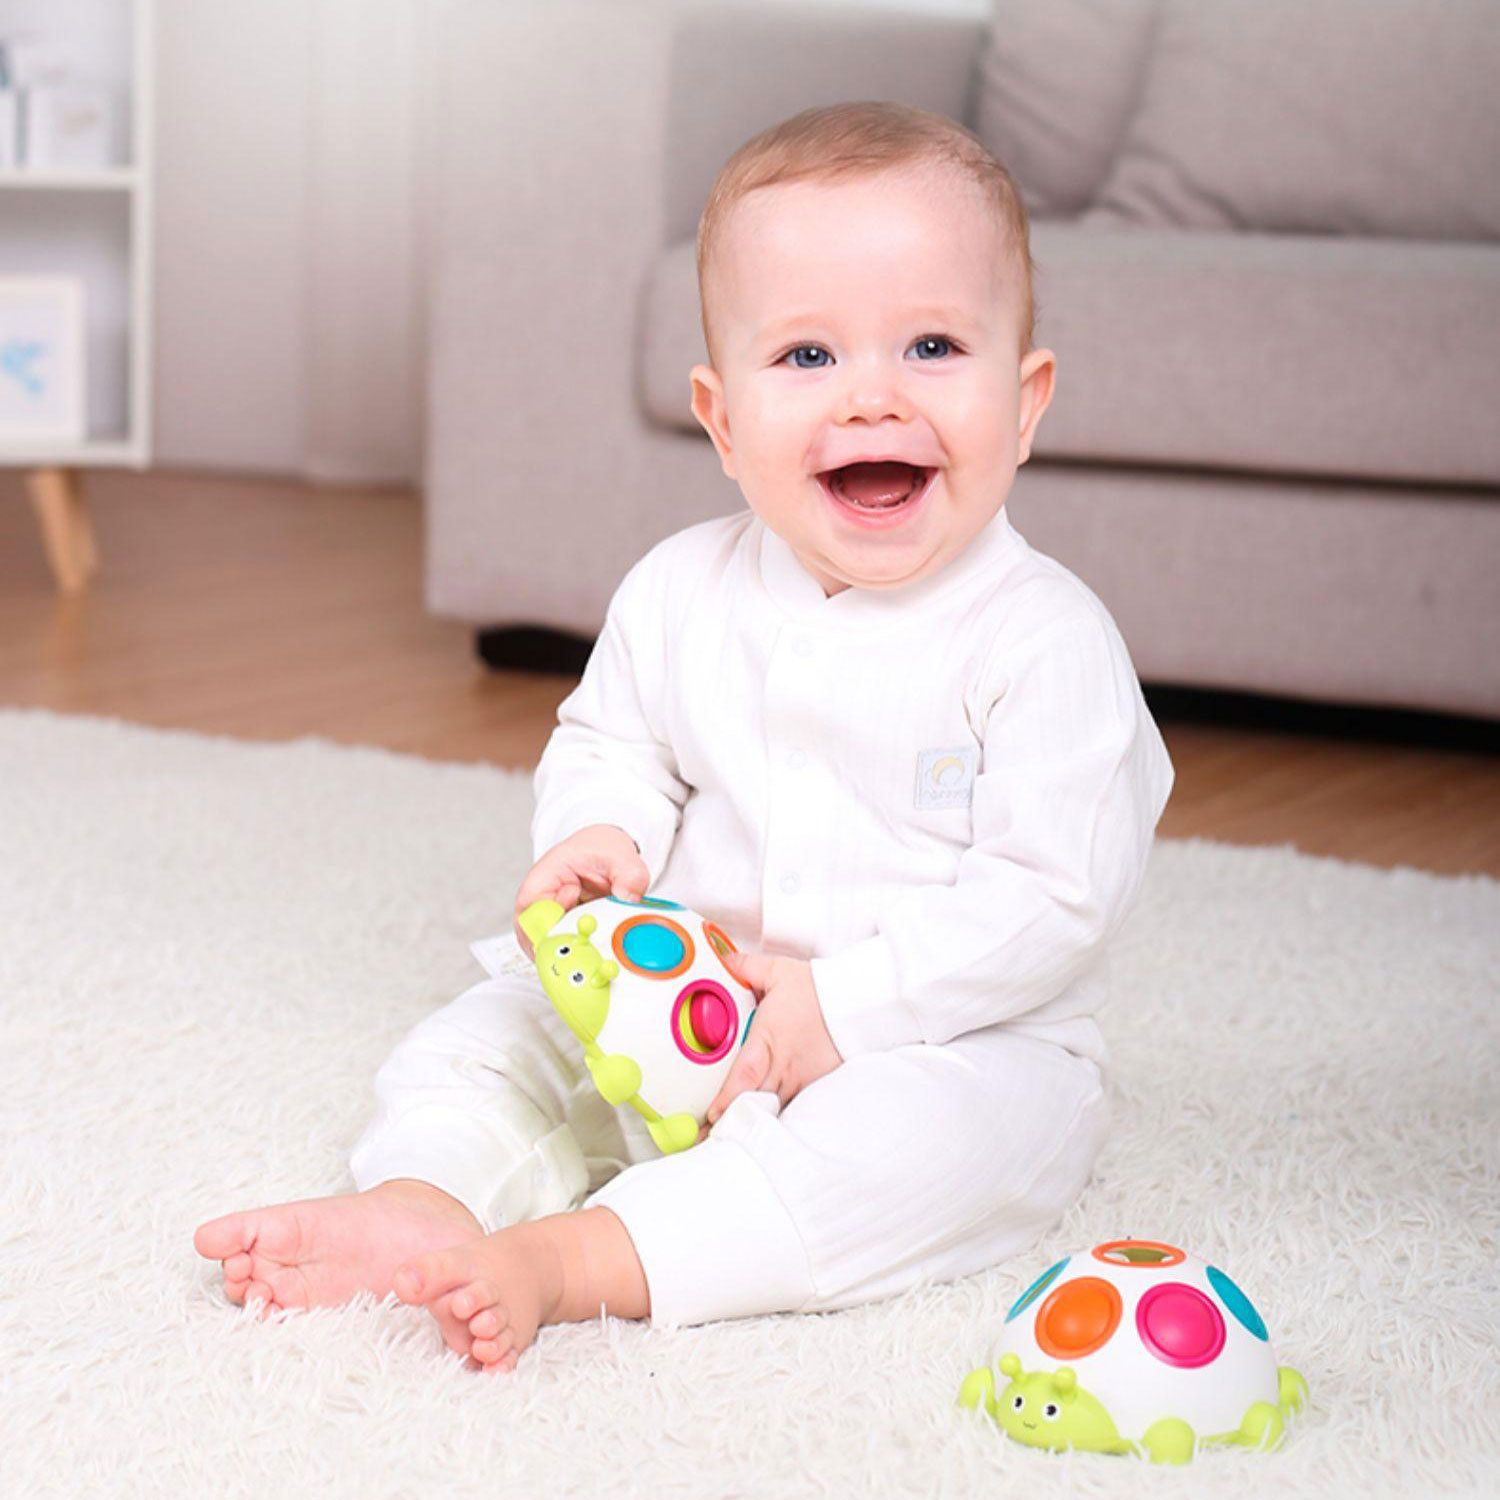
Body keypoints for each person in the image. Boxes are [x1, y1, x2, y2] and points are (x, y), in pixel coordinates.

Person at [195, 100, 1174, 1374]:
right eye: (808, 358)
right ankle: (425, 1198)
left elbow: (1055, 893)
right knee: (489, 1036)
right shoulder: (678, 590)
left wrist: (848, 1007)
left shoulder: (1042, 640)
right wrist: (599, 835)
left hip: (945, 1040)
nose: (872, 397)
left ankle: (581, 1260)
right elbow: (614, 739)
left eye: (933, 345)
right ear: (720, 421)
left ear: (1025, 397)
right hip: (680, 1003)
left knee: (933, 1153)